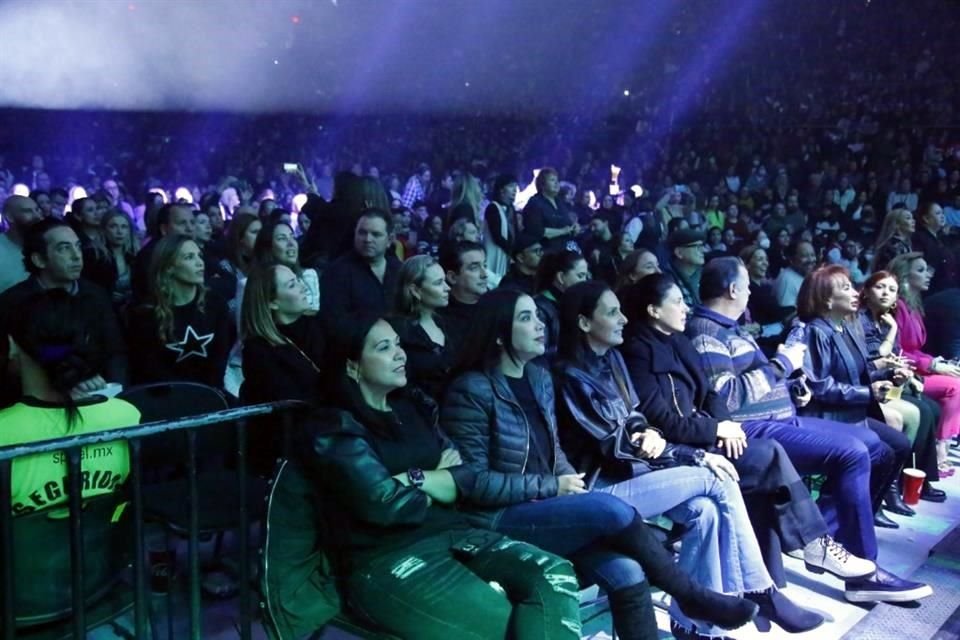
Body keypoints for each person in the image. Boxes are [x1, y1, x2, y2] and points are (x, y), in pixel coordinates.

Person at [442, 288, 760, 640]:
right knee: (611, 508)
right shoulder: (470, 390)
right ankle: (692, 596)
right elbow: (471, 482)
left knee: (627, 572)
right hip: (498, 518)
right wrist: (554, 487)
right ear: (499, 333)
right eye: (525, 318)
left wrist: (564, 479)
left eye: (537, 315)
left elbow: (553, 450)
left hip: (548, 506)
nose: (540, 325)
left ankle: (697, 604)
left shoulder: (538, 377)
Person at [290, 312, 583, 639]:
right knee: (505, 625)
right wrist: (439, 477)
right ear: (352, 365)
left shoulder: (414, 405)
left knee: (556, 573)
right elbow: (384, 504)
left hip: (454, 534)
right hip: (386, 559)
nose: (400, 354)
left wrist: (412, 478)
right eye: (384, 348)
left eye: (398, 345)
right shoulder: (334, 427)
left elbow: (468, 475)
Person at [618, 274, 887, 611]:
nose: (685, 307)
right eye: (677, 302)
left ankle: (781, 575)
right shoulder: (639, 351)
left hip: (715, 433)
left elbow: (711, 394)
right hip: (679, 449)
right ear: (654, 310)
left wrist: (727, 424)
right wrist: (718, 430)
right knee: (770, 458)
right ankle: (806, 550)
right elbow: (664, 419)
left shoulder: (678, 340)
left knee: (779, 464)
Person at [555, 281, 802, 640]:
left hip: (631, 472)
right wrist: (693, 453)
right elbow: (614, 443)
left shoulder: (613, 359)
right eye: (612, 312)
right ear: (583, 323)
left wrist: (648, 431)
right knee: (718, 476)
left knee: (706, 510)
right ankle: (758, 590)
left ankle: (695, 628)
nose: (624, 318)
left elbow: (634, 418)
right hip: (598, 489)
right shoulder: (569, 376)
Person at [685, 258, 934, 601]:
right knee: (853, 451)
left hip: (782, 416)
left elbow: (766, 379)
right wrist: (782, 365)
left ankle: (825, 535)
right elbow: (727, 397)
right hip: (754, 428)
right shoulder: (706, 332)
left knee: (876, 445)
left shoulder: (732, 327)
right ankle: (862, 571)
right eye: (747, 285)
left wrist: (791, 385)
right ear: (733, 290)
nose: (751, 291)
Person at [792, 265, 919, 520]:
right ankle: (835, 517)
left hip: (849, 412)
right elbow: (821, 387)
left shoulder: (846, 328)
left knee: (899, 445)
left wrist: (889, 376)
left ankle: (862, 514)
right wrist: (868, 393)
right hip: (826, 415)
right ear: (827, 298)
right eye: (846, 287)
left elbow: (856, 374)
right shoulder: (816, 330)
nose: (855, 293)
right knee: (882, 452)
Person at [0, 289, 140, 515]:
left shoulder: (3, 430)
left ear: (12, 344)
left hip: (26, 551)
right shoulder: (128, 416)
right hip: (105, 549)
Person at [0, 218, 128, 403]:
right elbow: (22, 360)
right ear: (39, 259)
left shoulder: (95, 295)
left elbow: (114, 350)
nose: (77, 256)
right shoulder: (13, 303)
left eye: (77, 246)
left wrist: (115, 391)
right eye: (63, 248)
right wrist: (71, 378)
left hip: (100, 396)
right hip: (38, 405)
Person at [857, 270, 944, 499]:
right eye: (880, 287)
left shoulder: (886, 322)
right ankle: (891, 489)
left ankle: (911, 481)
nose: (886, 293)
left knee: (930, 407)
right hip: (869, 387)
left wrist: (901, 374)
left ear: (897, 297)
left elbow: (893, 358)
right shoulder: (859, 321)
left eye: (891, 289)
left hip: (887, 384)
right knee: (918, 412)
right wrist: (893, 335)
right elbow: (868, 361)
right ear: (866, 291)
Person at [887, 253, 960, 476]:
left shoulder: (914, 306)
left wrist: (937, 362)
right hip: (899, 374)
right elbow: (896, 350)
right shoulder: (898, 306)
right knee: (956, 386)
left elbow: (915, 348)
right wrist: (932, 365)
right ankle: (941, 450)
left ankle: (943, 445)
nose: (928, 275)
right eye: (920, 270)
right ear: (905, 276)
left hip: (917, 368)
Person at [128, 234, 230, 386]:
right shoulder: (146, 314)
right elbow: (149, 370)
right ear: (169, 267)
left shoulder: (216, 304)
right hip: (167, 397)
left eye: (199, 256)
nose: (200, 263)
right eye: (189, 257)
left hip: (211, 392)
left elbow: (219, 360)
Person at [391, 255, 459, 400]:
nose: (447, 288)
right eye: (438, 283)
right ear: (416, 290)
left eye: (445, 281)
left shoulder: (447, 324)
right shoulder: (397, 332)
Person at [320, 209, 402, 322]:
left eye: (376, 234)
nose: (367, 239)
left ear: (390, 239)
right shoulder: (336, 272)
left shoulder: (400, 270)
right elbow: (333, 321)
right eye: (362, 233)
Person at [534, 250, 590, 359]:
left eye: (586, 276)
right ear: (560, 277)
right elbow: (540, 352)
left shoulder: (576, 302)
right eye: (580, 276)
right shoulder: (540, 308)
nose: (585, 282)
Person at [437, 240, 489, 346]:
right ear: (452, 277)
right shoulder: (441, 320)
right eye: (474, 268)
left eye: (485, 265)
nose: (484, 274)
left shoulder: (497, 306)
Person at [522, 168, 579, 252]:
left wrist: (574, 227)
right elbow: (536, 232)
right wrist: (562, 231)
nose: (557, 183)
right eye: (552, 180)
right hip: (546, 252)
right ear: (542, 184)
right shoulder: (534, 203)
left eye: (557, 180)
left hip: (566, 249)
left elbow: (568, 224)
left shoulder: (560, 202)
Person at [911, 202, 957, 294]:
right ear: (926, 219)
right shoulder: (919, 238)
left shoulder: (941, 238)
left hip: (947, 287)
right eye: (938, 213)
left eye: (942, 213)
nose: (942, 216)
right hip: (933, 290)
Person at [0, 195, 43, 293]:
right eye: (28, 211)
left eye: (37, 210)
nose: (37, 216)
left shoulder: (46, 245)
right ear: (9, 217)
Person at [482, 174, 518, 283]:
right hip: (495, 254)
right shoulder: (493, 207)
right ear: (501, 190)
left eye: (515, 187)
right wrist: (513, 250)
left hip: (508, 256)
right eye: (511, 186)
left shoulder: (512, 210)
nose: (515, 190)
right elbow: (497, 236)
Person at [101, 210, 137, 310]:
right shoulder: (95, 257)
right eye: (113, 226)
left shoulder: (134, 256)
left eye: (124, 227)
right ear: (104, 230)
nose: (119, 232)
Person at [773, 240, 817, 309]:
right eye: (805, 256)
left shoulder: (806, 275)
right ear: (792, 260)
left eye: (812, 255)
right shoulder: (787, 280)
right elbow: (787, 316)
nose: (811, 260)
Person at [870, 207, 914, 272]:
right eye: (908, 218)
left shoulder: (904, 244)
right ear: (897, 225)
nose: (913, 221)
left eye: (912, 218)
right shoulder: (893, 246)